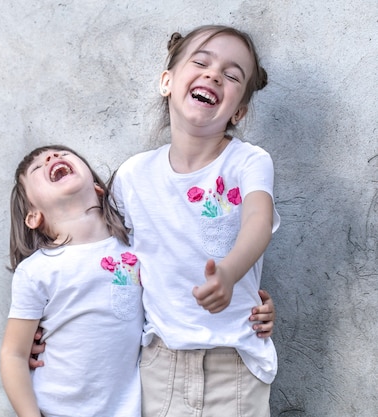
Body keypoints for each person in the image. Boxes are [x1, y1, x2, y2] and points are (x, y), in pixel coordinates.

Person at [110, 25, 279, 416]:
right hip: (159, 364)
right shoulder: (132, 176)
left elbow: (258, 219)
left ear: (238, 110)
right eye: (200, 62)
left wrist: (229, 275)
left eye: (232, 75)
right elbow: (111, 262)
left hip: (234, 362)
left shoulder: (249, 162)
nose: (214, 74)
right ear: (167, 81)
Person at [0, 145, 144, 417]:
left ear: (97, 187)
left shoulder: (136, 249)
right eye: (37, 168)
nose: (53, 158)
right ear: (33, 216)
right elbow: (14, 355)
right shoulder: (37, 271)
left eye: (61, 154)